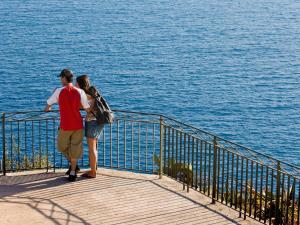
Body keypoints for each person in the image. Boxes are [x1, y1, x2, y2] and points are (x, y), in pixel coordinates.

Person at [45, 69, 90, 182]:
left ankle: (73, 170)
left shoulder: (59, 91)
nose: (60, 79)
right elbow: (87, 108)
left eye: (61, 77)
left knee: (61, 146)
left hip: (65, 125)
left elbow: (48, 103)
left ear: (64, 78)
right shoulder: (80, 92)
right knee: (75, 148)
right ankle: (74, 168)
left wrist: (48, 108)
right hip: (78, 125)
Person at [76, 75, 104, 178]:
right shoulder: (92, 91)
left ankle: (93, 172)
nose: (75, 85)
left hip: (92, 122)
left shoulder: (85, 95)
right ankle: (93, 169)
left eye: (76, 83)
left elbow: (84, 108)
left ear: (80, 84)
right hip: (99, 120)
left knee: (92, 148)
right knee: (94, 147)